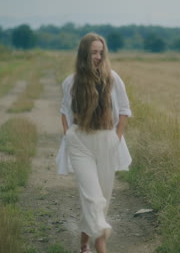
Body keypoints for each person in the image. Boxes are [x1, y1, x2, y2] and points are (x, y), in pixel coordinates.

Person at [56, 32, 132, 253]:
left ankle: (83, 244)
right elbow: (64, 112)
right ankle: (100, 242)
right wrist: (69, 136)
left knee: (103, 197)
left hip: (106, 140)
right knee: (91, 194)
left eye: (101, 53)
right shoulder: (70, 82)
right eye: (93, 53)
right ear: (83, 55)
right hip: (80, 142)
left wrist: (116, 139)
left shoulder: (113, 79)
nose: (98, 57)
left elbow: (125, 110)